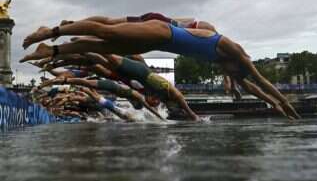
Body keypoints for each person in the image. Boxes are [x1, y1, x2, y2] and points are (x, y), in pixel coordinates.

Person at [21, 18, 300, 120]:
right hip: (164, 31)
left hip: (163, 42)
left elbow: (253, 87)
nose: (236, 77)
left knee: (104, 47)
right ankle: (51, 32)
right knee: (106, 33)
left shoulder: (231, 68)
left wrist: (275, 106)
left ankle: (52, 50)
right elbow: (261, 80)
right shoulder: (233, 50)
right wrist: (283, 100)